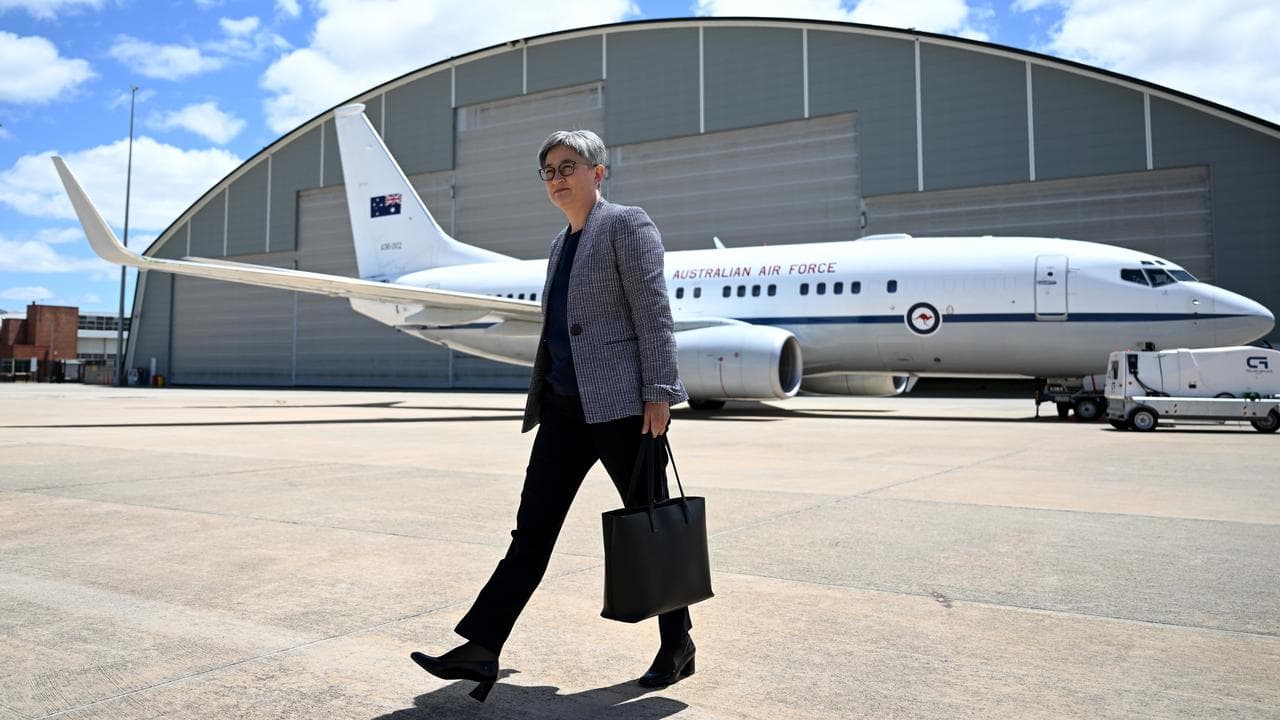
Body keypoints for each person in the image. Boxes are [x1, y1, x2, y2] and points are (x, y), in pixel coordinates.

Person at [410, 129, 694, 703]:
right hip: (565, 409)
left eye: (569, 166)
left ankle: (677, 644)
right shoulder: (561, 243)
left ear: (598, 172)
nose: (558, 177)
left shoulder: (627, 224)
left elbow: (653, 312)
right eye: (548, 170)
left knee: (651, 526)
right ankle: (482, 648)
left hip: (623, 409)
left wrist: (660, 392)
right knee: (531, 533)